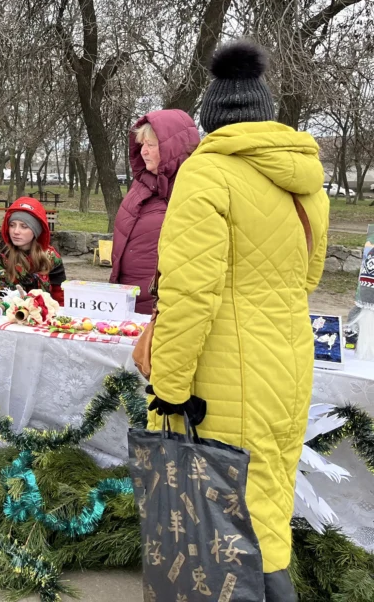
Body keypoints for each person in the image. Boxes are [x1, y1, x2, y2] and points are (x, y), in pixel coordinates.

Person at [147, 42, 329, 601]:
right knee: (268, 504)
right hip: (289, 364)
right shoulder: (306, 181)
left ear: (211, 118)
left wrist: (170, 387)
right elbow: (308, 278)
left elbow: (188, 294)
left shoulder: (207, 174)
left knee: (227, 520)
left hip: (228, 373)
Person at [109, 110, 199, 314]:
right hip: (126, 301)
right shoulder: (141, 184)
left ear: (172, 149)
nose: (143, 152)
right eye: (142, 145)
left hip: (164, 309)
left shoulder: (190, 188)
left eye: (151, 145)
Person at [0, 197, 66, 305]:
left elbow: (60, 296)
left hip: (45, 312)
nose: (16, 231)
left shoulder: (50, 256)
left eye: (24, 226)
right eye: (12, 225)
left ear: (36, 230)